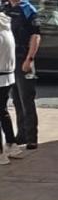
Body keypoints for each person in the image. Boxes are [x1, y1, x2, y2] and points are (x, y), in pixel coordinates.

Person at [3, 0, 40, 150]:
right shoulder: (5, 9)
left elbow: (36, 36)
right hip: (10, 62)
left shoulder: (28, 10)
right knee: (16, 99)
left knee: (27, 99)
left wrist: (29, 59)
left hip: (24, 58)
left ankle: (32, 137)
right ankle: (21, 135)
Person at [0, 10, 23, 163]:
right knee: (2, 111)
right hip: (7, 76)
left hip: (1, 76)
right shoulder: (6, 28)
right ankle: (11, 144)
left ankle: (2, 153)